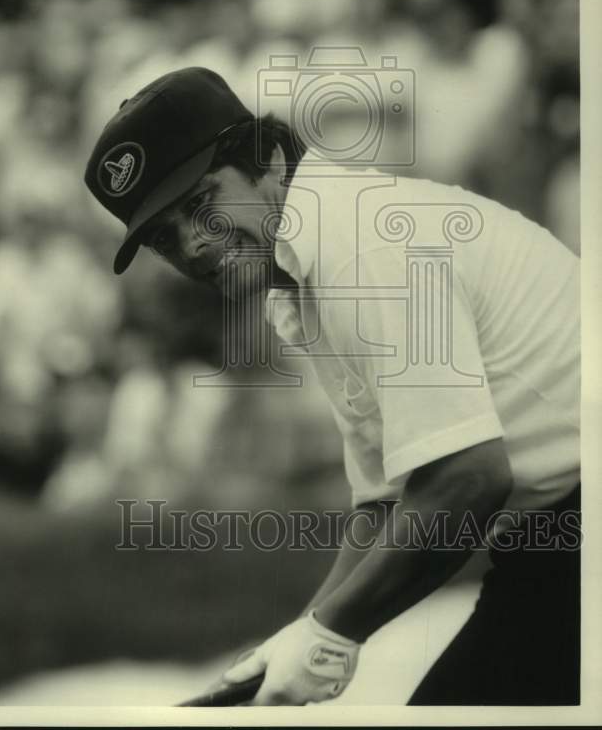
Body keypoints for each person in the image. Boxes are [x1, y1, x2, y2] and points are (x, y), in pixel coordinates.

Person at [83, 66, 580, 706]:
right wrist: (286, 651)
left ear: (266, 159)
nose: (193, 245)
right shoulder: (314, 255)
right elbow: (385, 504)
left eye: (201, 204)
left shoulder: (356, 245)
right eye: (162, 237)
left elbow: (468, 479)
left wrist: (329, 632)